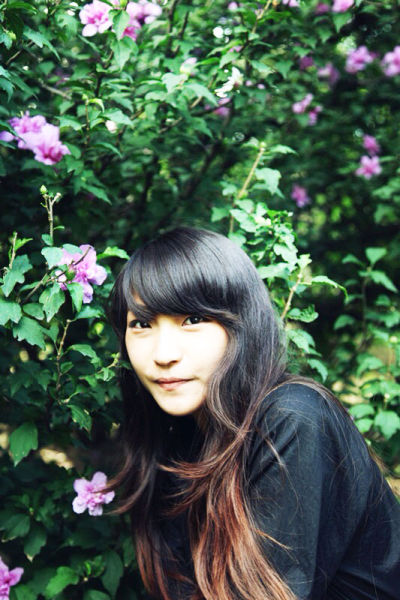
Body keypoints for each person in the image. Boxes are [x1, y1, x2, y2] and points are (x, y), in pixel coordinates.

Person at [108, 227, 400, 600]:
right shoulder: (178, 435)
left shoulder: (293, 417)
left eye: (193, 319)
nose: (163, 354)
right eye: (142, 324)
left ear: (241, 325)